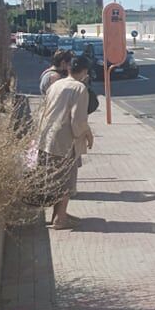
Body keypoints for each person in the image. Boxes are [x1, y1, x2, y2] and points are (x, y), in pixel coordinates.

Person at [36, 56, 94, 229]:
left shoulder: (56, 84)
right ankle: (60, 219)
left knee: (55, 178)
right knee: (66, 180)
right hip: (65, 139)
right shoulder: (79, 88)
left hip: (47, 137)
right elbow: (78, 120)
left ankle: (58, 214)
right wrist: (87, 135)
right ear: (84, 72)